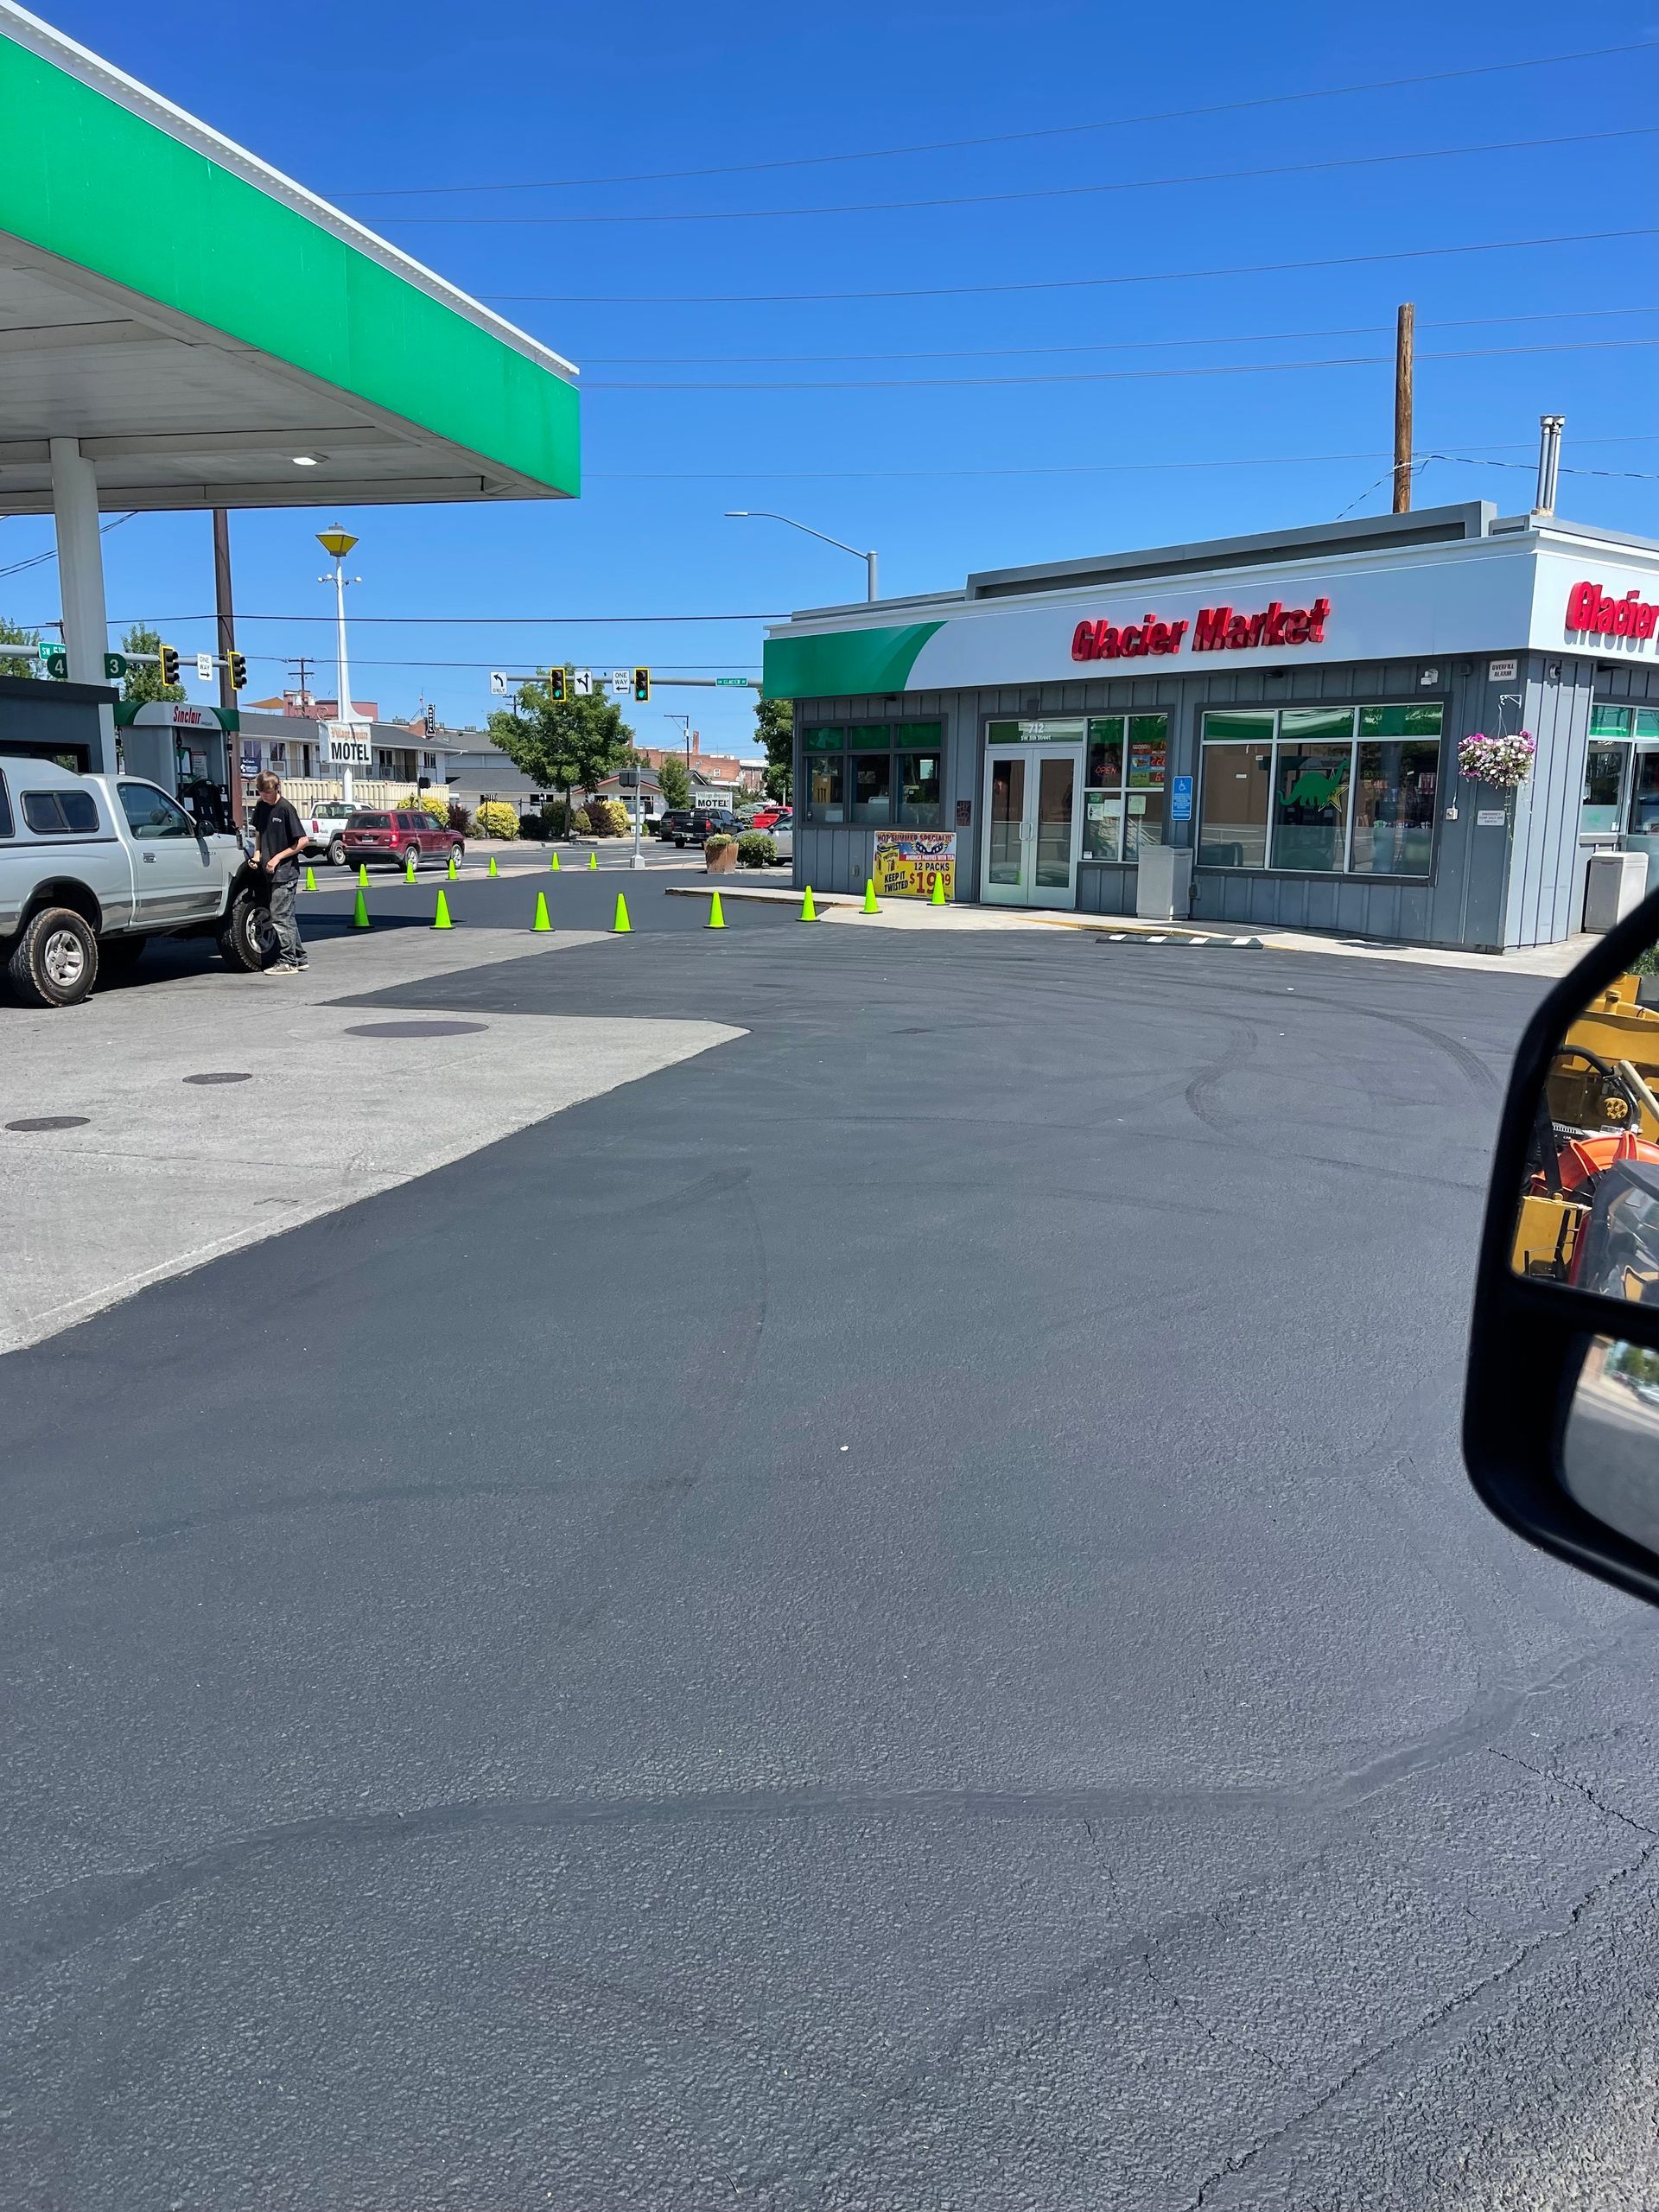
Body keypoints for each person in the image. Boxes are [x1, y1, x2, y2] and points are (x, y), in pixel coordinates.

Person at [250, 771, 308, 975]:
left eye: (269, 792)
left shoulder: (286, 809)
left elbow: (302, 841)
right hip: (269, 869)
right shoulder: (261, 806)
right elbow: (258, 832)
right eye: (262, 793)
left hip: (285, 872)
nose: (266, 797)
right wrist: (257, 854)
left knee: (280, 917)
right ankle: (299, 958)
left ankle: (288, 961)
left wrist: (277, 858)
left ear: (277, 788)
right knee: (287, 916)